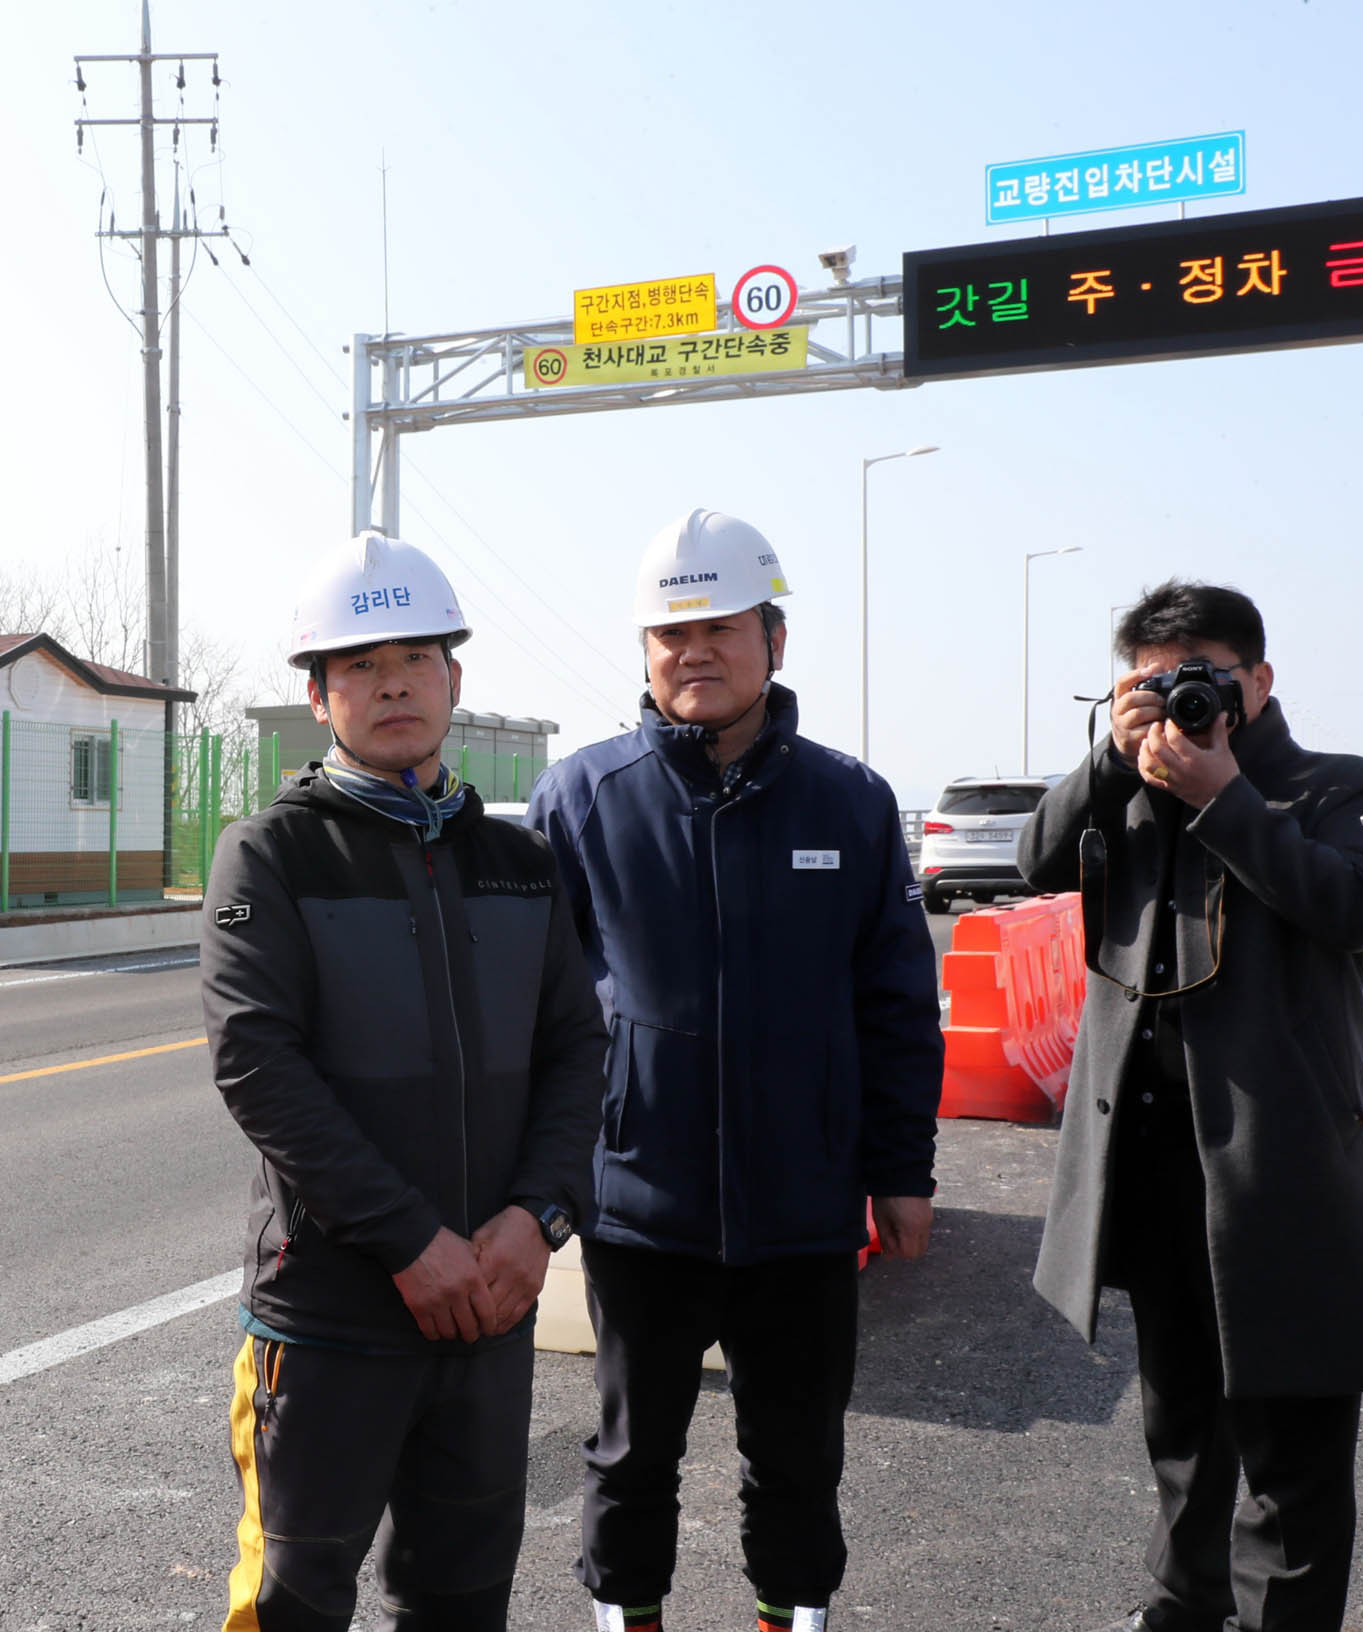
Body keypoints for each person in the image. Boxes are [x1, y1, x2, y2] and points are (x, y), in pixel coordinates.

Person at [525, 510, 943, 1632]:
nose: (694, 652)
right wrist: (543, 1183)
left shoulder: (849, 802)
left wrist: (902, 1172)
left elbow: (896, 1003)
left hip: (803, 1209)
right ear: (644, 654)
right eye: (670, 633)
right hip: (638, 1209)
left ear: (775, 637)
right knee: (626, 1460)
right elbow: (540, 1011)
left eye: (720, 626)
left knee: (798, 1461)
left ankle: (791, 1619)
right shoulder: (580, 798)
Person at [200, 530, 608, 1632]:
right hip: (332, 1316)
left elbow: (579, 1048)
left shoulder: (519, 866)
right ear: (321, 694)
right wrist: (407, 1244)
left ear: (453, 680)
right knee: (292, 1599)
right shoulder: (273, 856)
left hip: (488, 1307)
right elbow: (255, 1063)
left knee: (462, 1599)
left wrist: (538, 1218)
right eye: (361, 666)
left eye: (416, 659)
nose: (392, 683)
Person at [1020, 581, 1363, 1632]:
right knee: (1183, 1438)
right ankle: (1179, 1612)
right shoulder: (1131, 782)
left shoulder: (1340, 785)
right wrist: (1113, 755)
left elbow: (1349, 905)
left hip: (1280, 1171)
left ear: (1260, 680)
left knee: (1292, 1460)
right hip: (1152, 1169)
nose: (1181, 701)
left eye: (1203, 678)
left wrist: (1223, 794)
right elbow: (1034, 860)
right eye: (1153, 684)